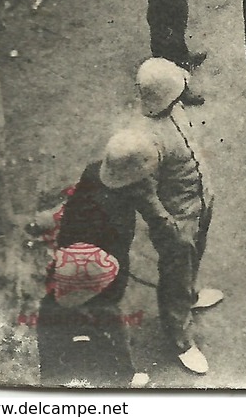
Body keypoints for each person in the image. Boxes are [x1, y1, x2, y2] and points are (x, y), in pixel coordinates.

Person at [37, 132, 156, 388]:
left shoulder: (92, 172)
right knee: (109, 322)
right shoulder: (126, 199)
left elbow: (70, 217)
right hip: (101, 270)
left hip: (76, 260)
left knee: (64, 326)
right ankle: (123, 375)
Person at [130, 58, 222, 375]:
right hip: (177, 218)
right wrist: (166, 225)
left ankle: (190, 296)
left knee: (191, 263)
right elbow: (143, 190)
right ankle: (180, 339)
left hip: (199, 204)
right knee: (174, 276)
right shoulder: (147, 138)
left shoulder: (175, 111)